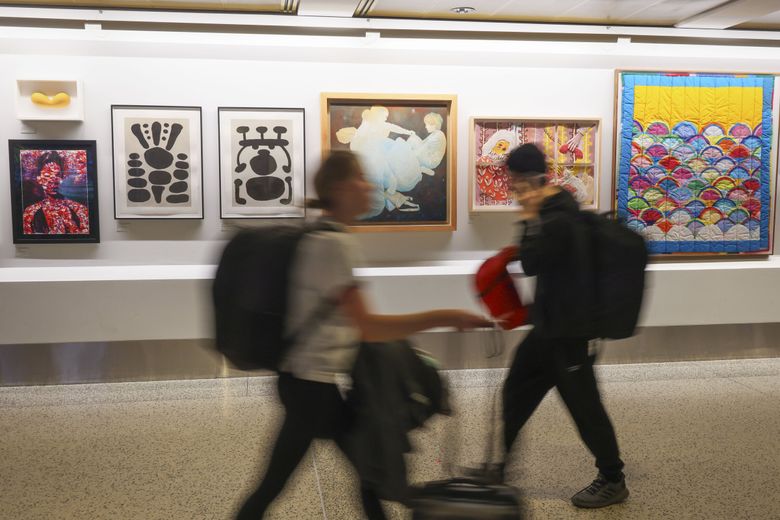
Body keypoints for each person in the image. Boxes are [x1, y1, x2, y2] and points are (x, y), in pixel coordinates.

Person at [236, 150, 491, 520]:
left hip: (309, 383)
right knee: (291, 482)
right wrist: (447, 315)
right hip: (310, 388)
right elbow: (368, 328)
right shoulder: (334, 246)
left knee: (366, 473)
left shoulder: (324, 237)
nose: (368, 185)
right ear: (339, 188)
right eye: (360, 177)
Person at [501, 143, 628, 508]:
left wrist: (527, 219)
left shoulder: (557, 217)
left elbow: (532, 263)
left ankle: (612, 478)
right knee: (515, 393)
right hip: (547, 330)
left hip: (570, 334)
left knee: (585, 408)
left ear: (530, 179)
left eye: (514, 181)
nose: (512, 189)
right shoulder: (555, 211)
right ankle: (498, 470)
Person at [22, 151, 89, 235]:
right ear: (39, 179)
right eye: (47, 175)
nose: (53, 180)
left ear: (62, 177)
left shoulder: (80, 210)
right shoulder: (30, 213)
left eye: (57, 175)